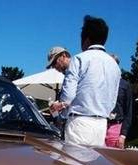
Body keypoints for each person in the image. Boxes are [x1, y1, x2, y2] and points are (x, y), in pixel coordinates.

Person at [49, 16, 121, 147]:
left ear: (86, 39)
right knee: (93, 160)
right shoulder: (114, 65)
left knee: (73, 159)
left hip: (80, 123)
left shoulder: (79, 59)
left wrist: (60, 106)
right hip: (101, 125)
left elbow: (68, 96)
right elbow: (113, 99)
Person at [105, 54, 133, 149]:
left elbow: (128, 112)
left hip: (116, 127)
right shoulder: (100, 82)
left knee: (111, 157)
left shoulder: (125, 85)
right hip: (100, 125)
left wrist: (123, 135)